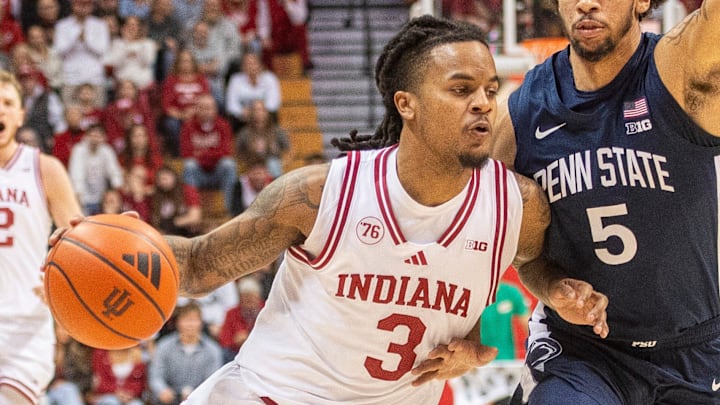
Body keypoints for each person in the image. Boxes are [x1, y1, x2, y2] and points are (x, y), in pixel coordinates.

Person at [51, 16, 608, 404]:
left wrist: (505, 333)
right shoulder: (323, 195)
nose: (483, 102)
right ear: (405, 104)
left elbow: (534, 263)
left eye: (489, 88)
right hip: (271, 395)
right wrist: (100, 245)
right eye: (460, 88)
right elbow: (195, 265)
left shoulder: (518, 205)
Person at [490, 0, 720, 403]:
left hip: (698, 348)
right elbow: (522, 258)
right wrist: (553, 287)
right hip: (583, 352)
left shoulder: (676, 71)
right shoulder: (520, 113)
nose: (586, 3)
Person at [0, 69, 83, 405]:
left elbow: (82, 246)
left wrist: (64, 288)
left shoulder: (44, 169)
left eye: (8, 103)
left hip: (26, 325)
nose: (0, 110)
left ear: (21, 114)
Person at [147, 301, 224, 405]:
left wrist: (196, 395)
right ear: (178, 323)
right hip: (170, 398)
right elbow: (156, 376)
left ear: (201, 323)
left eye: (194, 320)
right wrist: (162, 390)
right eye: (186, 320)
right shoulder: (164, 346)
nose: (190, 325)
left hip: (199, 399)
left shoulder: (213, 349)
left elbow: (212, 381)